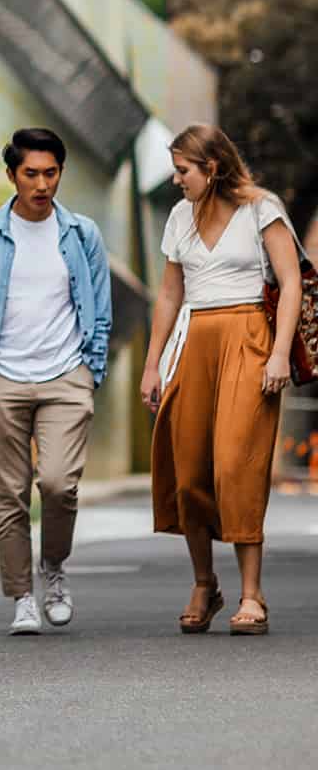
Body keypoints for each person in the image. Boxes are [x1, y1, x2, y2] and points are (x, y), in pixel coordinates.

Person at [0, 128, 112, 635]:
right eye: (31, 173)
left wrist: (90, 370)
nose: (42, 183)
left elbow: (100, 312)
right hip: (4, 378)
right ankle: (21, 596)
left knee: (59, 485)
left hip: (66, 375)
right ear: (12, 175)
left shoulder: (82, 235)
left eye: (51, 173)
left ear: (61, 172)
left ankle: (52, 569)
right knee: (9, 493)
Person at [142, 125, 301, 637]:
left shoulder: (261, 208)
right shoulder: (178, 218)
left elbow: (292, 279)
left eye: (183, 169)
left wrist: (279, 354)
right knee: (189, 473)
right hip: (195, 341)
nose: (175, 179)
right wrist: (152, 364)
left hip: (250, 338)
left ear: (211, 168)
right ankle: (204, 584)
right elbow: (169, 295)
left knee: (236, 465)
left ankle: (253, 595)